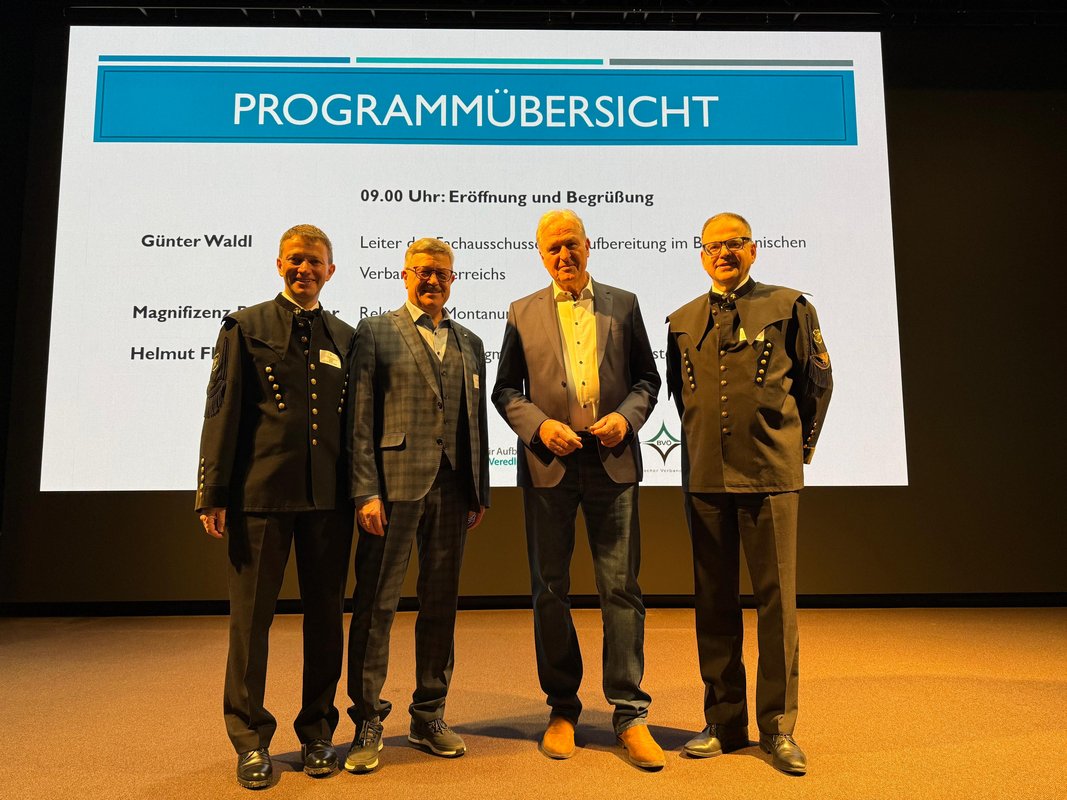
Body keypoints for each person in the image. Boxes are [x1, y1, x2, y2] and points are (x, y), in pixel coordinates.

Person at [492, 209, 664, 769]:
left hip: (613, 461)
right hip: (550, 465)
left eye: (571, 244)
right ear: (541, 256)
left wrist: (627, 418)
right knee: (550, 589)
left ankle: (630, 713)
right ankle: (562, 708)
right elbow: (505, 390)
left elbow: (647, 379)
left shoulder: (625, 304)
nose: (563, 255)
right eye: (553, 248)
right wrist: (540, 427)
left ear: (589, 246)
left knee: (621, 589)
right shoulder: (521, 311)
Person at [665, 212, 832, 775]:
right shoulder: (681, 321)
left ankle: (778, 728)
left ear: (753, 250)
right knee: (712, 602)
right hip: (706, 478)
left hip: (769, 477)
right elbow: (682, 398)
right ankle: (724, 721)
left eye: (734, 243)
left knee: (776, 604)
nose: (723, 253)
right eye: (713, 245)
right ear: (701, 254)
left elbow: (817, 383)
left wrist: (793, 449)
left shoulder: (789, 306)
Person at [195, 224, 356, 789]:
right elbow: (222, 413)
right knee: (250, 623)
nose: (303, 269)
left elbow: (354, 427)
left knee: (326, 620)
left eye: (314, 261)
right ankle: (250, 740)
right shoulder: (245, 327)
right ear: (279, 265)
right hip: (259, 497)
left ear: (330, 271)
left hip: (328, 502)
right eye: (294, 260)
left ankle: (317, 731)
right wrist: (212, 492)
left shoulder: (346, 336)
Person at [344, 237, 490, 774]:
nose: (433, 280)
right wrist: (365, 490)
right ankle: (367, 719)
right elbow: (359, 417)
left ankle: (429, 714)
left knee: (440, 604)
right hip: (392, 489)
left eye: (442, 273)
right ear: (405, 275)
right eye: (423, 271)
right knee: (376, 605)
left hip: (452, 490)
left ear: (453, 280)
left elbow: (476, 421)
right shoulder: (375, 331)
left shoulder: (471, 341)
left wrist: (478, 490)